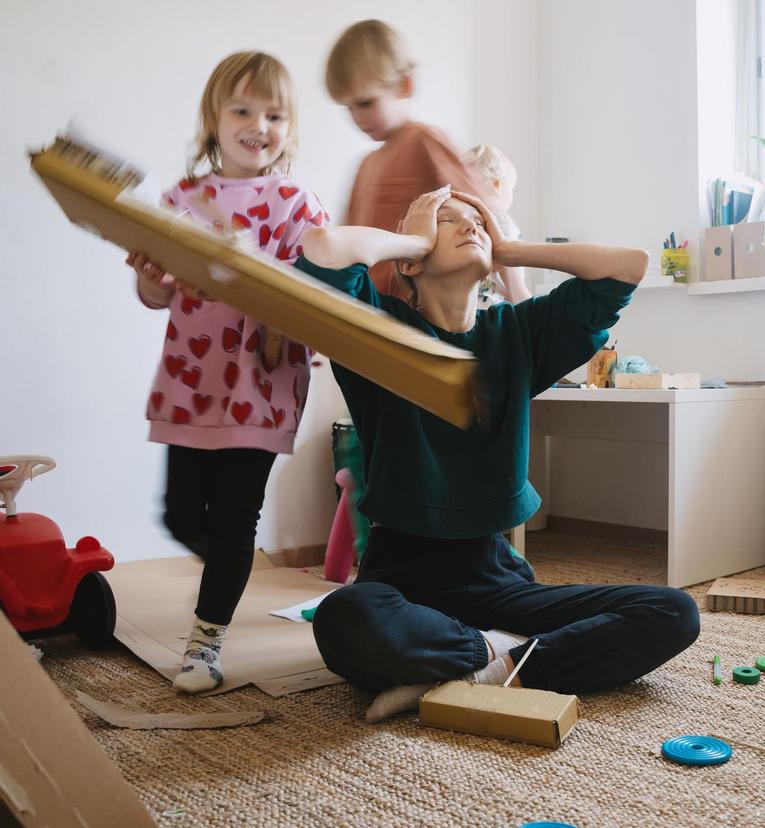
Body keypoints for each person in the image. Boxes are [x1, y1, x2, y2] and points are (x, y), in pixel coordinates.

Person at [294, 186, 701, 721]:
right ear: (412, 262)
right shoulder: (377, 332)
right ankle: (495, 654)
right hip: (401, 584)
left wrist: (509, 248)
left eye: (478, 221)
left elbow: (628, 266)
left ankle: (489, 668)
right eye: (449, 221)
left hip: (500, 584)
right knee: (344, 617)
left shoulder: (518, 335)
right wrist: (409, 238)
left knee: (674, 611)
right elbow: (323, 248)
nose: (471, 227)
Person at [127, 51, 328, 693]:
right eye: (242, 109)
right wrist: (148, 276)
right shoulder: (179, 200)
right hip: (191, 385)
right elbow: (158, 298)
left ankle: (205, 645)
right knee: (179, 513)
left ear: (290, 128)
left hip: (262, 386)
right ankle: (233, 572)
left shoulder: (297, 201)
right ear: (214, 120)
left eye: (275, 114)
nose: (258, 125)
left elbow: (320, 289)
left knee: (236, 515)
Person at [325, 19, 498, 301]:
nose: (357, 117)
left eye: (366, 103)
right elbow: (345, 238)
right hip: (369, 304)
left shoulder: (423, 140)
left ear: (404, 85)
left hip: (414, 309)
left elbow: (484, 211)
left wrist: (514, 286)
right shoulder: (366, 164)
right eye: (349, 107)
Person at [464, 143, 530, 306]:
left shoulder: (465, 221)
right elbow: (516, 292)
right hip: (494, 309)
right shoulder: (502, 223)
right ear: (498, 185)